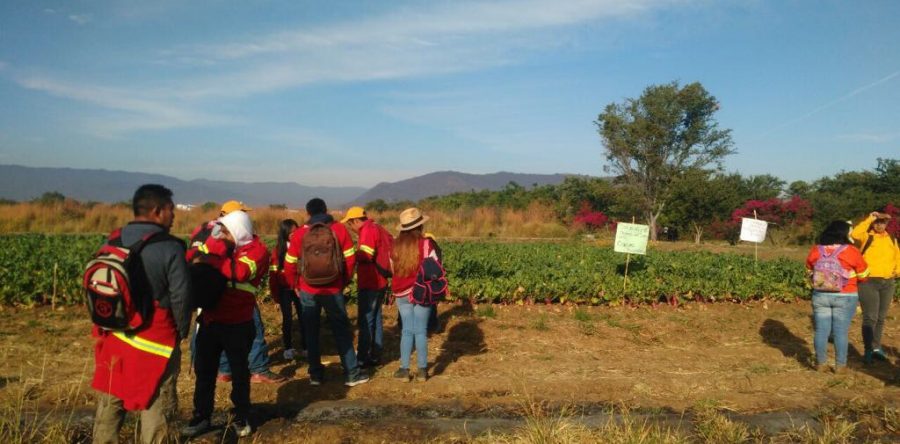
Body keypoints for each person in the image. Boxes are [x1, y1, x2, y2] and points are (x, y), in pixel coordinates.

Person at [92, 184, 191, 443]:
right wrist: (181, 331)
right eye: (171, 209)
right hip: (155, 342)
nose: (174, 215)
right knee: (158, 404)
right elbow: (181, 297)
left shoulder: (113, 239)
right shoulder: (171, 247)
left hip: (115, 336)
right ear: (157, 211)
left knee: (111, 397)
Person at [182, 210, 270, 438]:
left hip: (237, 323)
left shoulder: (257, 251)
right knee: (205, 373)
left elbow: (240, 272)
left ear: (240, 231)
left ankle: (241, 416)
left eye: (228, 232)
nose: (223, 235)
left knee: (240, 374)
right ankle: (201, 416)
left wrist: (209, 259)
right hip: (211, 319)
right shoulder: (225, 247)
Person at [187, 201, 284, 385]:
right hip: (236, 299)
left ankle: (224, 370)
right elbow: (239, 271)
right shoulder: (226, 238)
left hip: (211, 294)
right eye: (242, 214)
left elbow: (195, 255)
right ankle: (258, 369)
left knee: (210, 332)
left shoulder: (204, 230)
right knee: (253, 331)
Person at [283, 198, 369, 387]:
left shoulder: (298, 234)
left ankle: (315, 375)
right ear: (326, 210)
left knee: (311, 332)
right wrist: (342, 281)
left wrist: (295, 285)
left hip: (307, 290)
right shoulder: (338, 230)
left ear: (308, 213)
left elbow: (289, 265)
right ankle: (352, 374)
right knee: (341, 331)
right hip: (333, 288)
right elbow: (350, 259)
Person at [806, 220, 869, 374]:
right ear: (844, 234)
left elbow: (809, 268)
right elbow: (864, 274)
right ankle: (840, 366)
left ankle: (821, 364)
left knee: (821, 331)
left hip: (820, 295)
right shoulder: (851, 251)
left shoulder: (817, 250)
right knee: (840, 332)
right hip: (845, 295)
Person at [391, 207, 442, 382]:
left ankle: (404, 370)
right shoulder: (427, 244)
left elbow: (392, 268)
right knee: (421, 331)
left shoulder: (395, 244)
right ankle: (422, 371)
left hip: (401, 293)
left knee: (406, 330)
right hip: (422, 292)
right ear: (420, 226)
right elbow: (436, 267)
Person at [341, 206, 392, 368]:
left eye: (350, 224)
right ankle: (376, 355)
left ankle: (362, 357)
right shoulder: (376, 227)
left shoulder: (367, 231)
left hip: (371, 282)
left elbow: (367, 255)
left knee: (366, 320)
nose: (350, 228)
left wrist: (349, 256)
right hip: (380, 281)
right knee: (375, 318)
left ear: (356, 221)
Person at [850, 211, 900, 364]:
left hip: (888, 282)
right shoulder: (867, 236)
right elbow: (856, 233)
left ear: (887, 224)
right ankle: (868, 350)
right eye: (877, 222)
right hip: (869, 282)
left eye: (883, 222)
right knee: (870, 317)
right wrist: (869, 218)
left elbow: (897, 256)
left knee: (881, 318)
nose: (879, 224)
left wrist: (897, 270)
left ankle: (877, 347)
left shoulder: (891, 238)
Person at [269, 218, 306, 360]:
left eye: (296, 231)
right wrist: (275, 296)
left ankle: (306, 347)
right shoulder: (278, 250)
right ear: (284, 233)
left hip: (299, 288)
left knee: (304, 317)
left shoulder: (302, 247)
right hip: (285, 289)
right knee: (287, 319)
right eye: (291, 232)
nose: (294, 234)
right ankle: (288, 347)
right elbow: (273, 275)